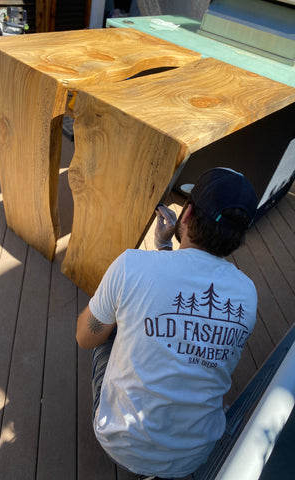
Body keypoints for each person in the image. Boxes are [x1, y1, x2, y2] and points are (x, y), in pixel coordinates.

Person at [76, 167, 258, 480]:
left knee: (109, 329)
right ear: (238, 238)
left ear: (186, 215)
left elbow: (85, 337)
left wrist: (119, 301)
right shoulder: (247, 293)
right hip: (195, 456)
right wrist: (164, 249)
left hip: (120, 443)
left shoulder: (132, 265)